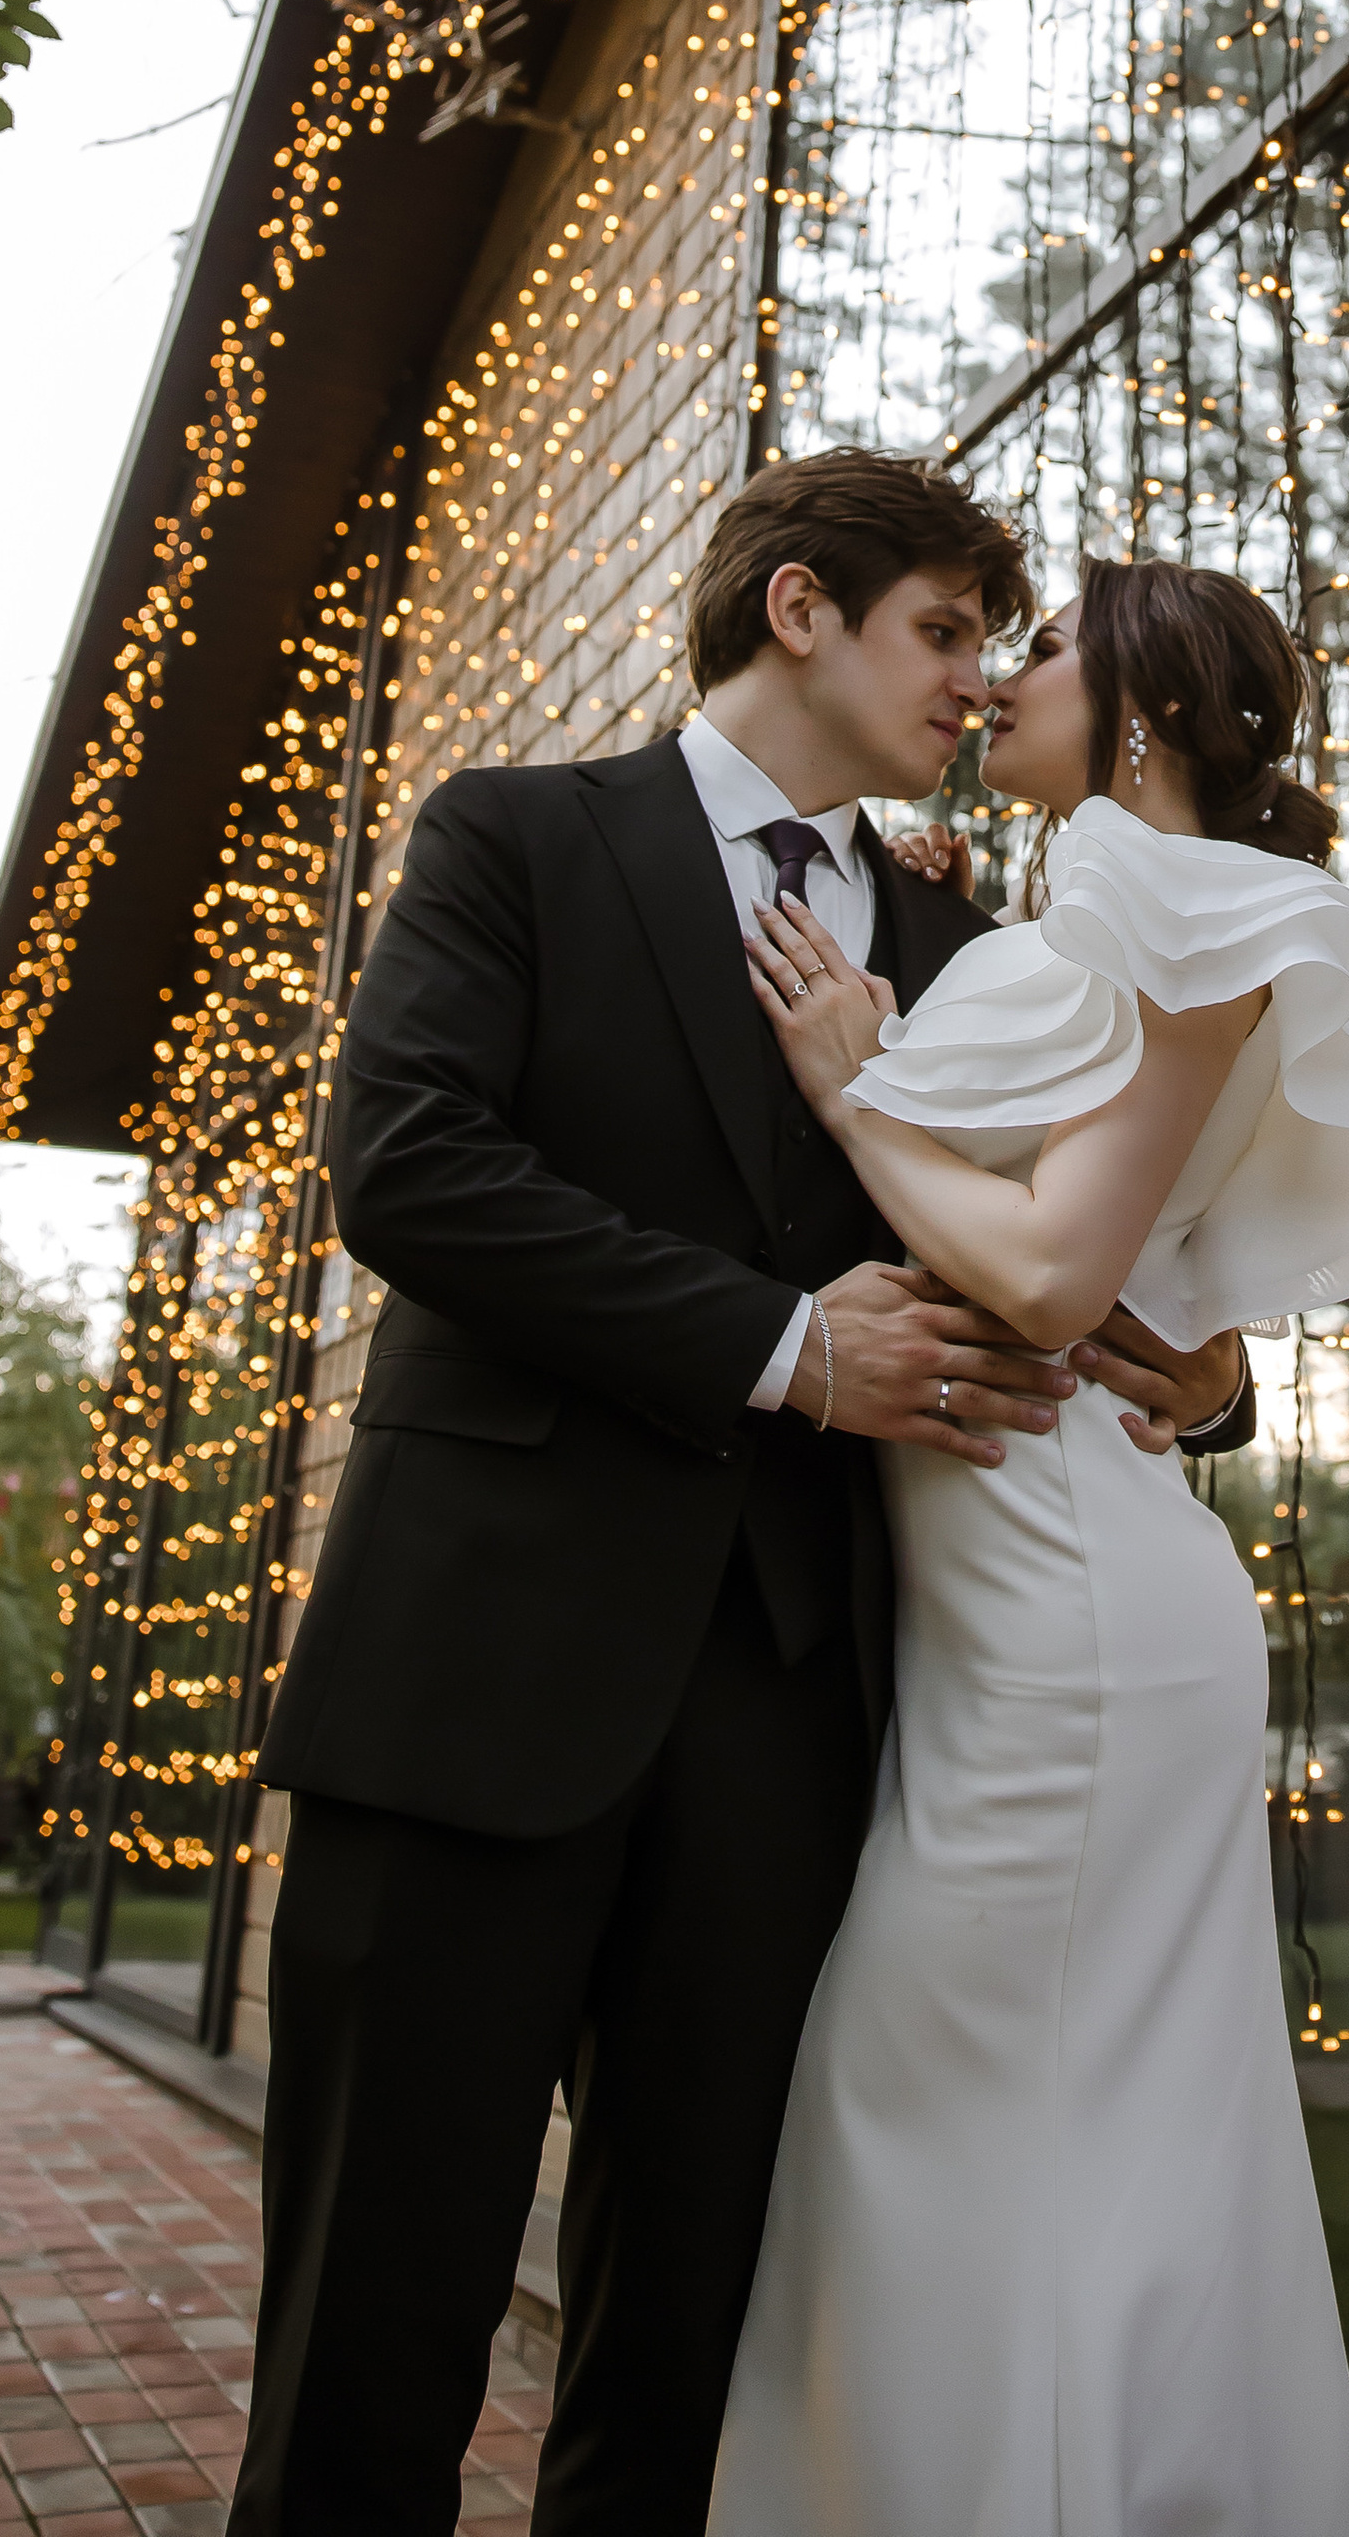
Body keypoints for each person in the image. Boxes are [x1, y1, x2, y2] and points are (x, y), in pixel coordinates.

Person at [227, 451, 1258, 2537]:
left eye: (992, 645)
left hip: (797, 1726)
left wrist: (1209, 1377)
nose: (975, 683)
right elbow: (411, 1173)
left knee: (684, 2356)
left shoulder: (971, 944)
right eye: (942, 631)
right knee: (368, 2337)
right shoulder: (518, 834)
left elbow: (1081, 1245)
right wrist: (786, 1347)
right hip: (473, 1679)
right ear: (800, 609)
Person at [712, 556, 1349, 2537]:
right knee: (1026, 2107)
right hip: (1007, 1584)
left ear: (1138, 703)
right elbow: (1109, 1253)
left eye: (1039, 647)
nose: (997, 679)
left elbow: (1055, 1280)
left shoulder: (1189, 913)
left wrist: (856, 1094)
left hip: (1071, 1605)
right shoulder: (1070, 921)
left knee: (939, 2090)